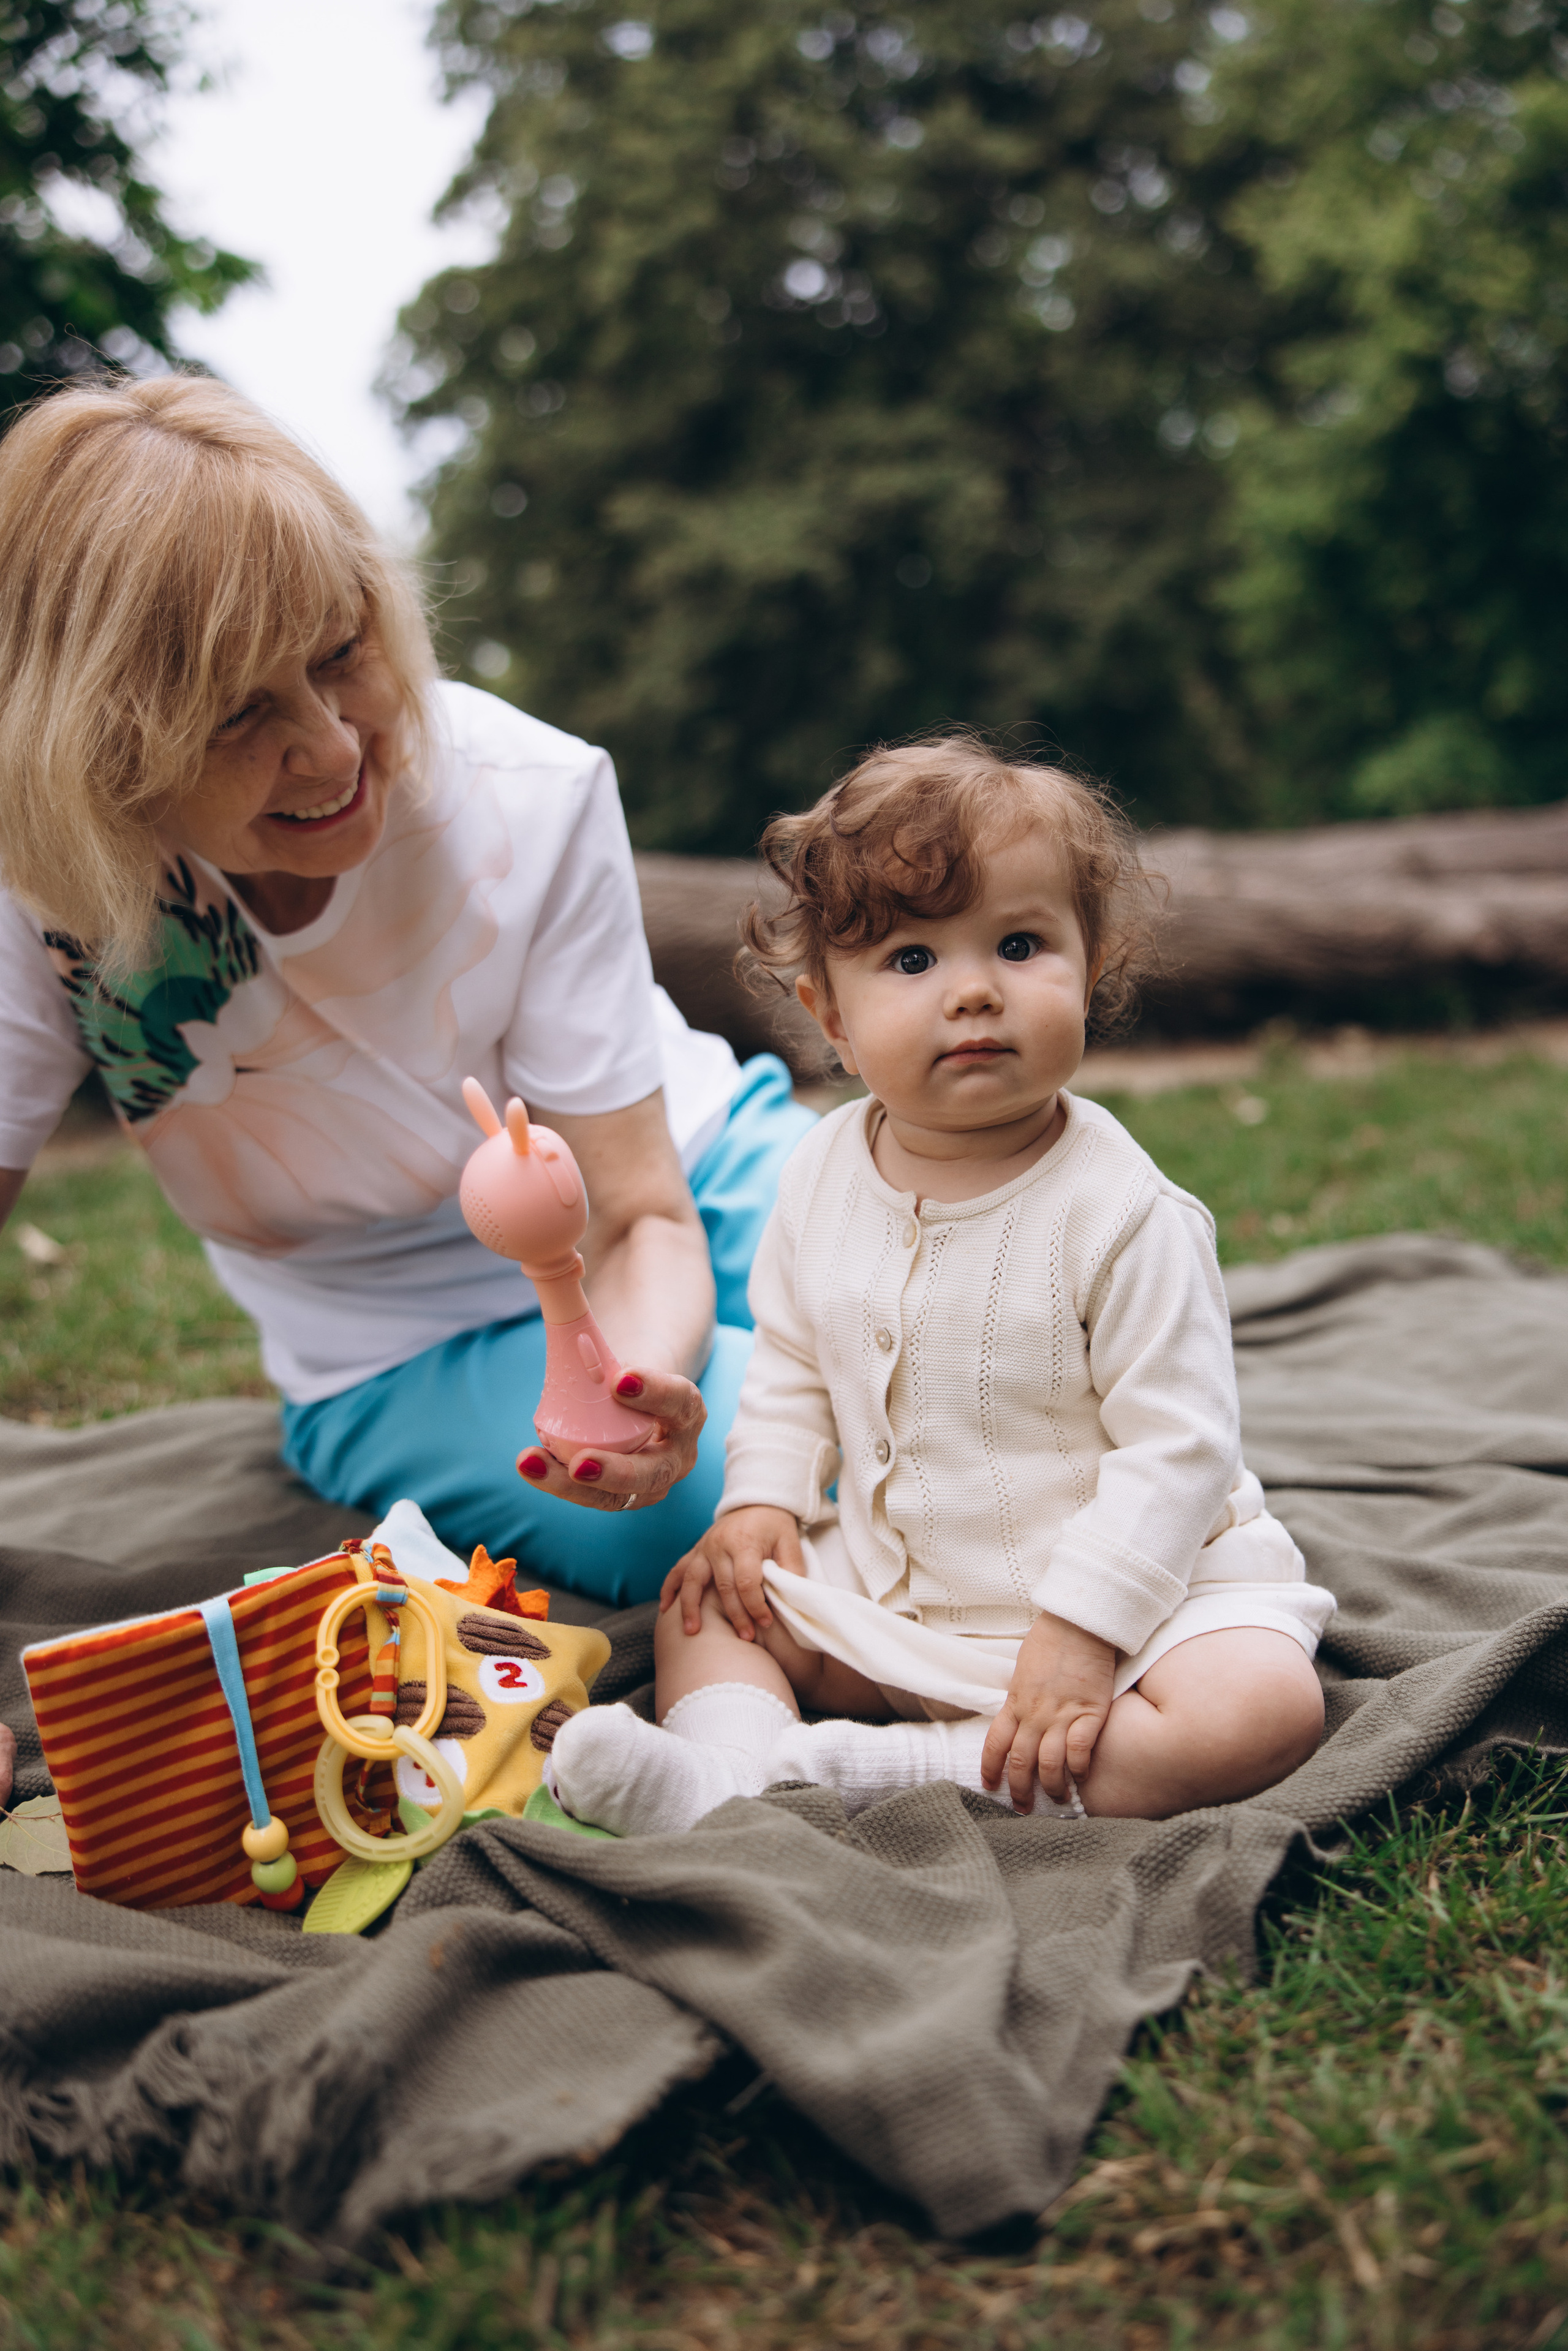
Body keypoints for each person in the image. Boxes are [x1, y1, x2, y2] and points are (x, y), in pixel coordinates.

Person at [0, 374, 815, 1642]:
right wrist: (641, 1440)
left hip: (683, 1184)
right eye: (240, 714)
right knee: (765, 1485)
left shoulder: (525, 794)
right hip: (401, 1347)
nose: (332, 747)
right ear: (103, 742)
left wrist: (639, 1379)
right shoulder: (31, 885)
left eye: (340, 655)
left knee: (1007, 1307)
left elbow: (641, 1204)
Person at [548, 738, 1335, 1832]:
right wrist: (762, 1503)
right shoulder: (819, 1173)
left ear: (1091, 964)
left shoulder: (1123, 1212)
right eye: (912, 961)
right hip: (897, 1593)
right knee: (704, 1602)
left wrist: (1085, 1626)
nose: (972, 991)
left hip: (1136, 1605)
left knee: (1258, 1708)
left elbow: (1182, 1449)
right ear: (830, 1016)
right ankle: (716, 1778)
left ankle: (878, 1771)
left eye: (1018, 945)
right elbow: (790, 1359)